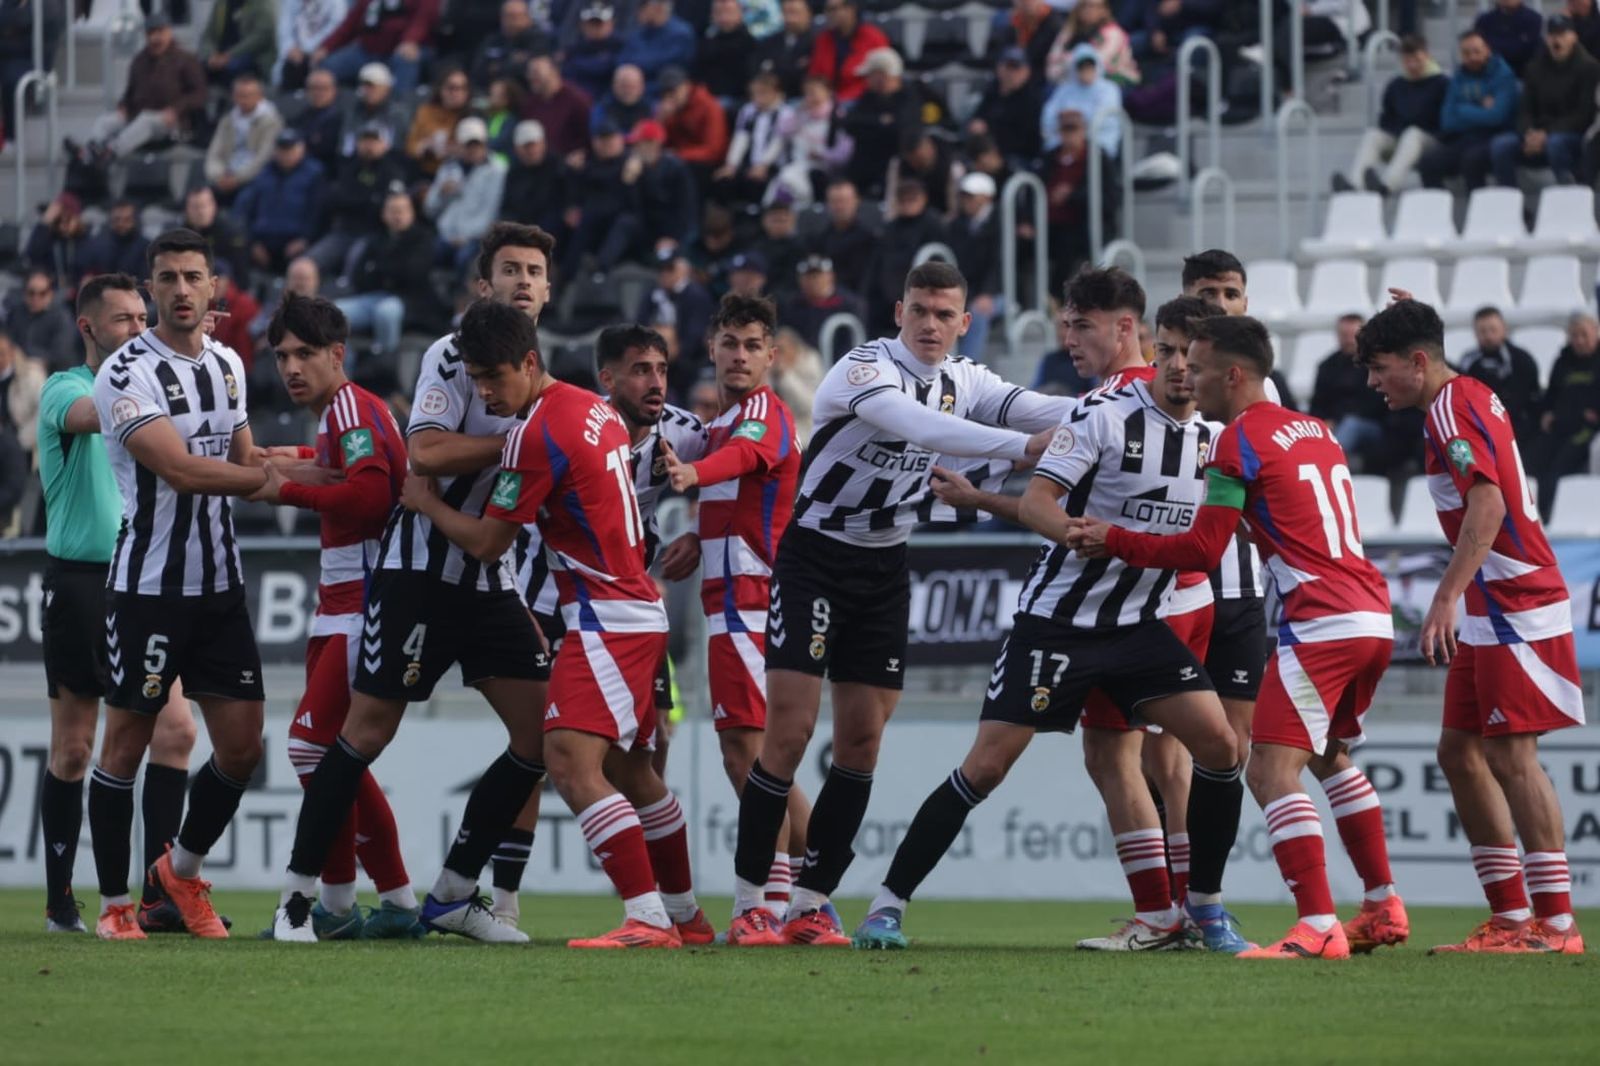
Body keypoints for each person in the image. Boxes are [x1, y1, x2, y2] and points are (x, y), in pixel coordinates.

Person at [852, 295, 1249, 954]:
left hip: (1138, 625)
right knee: (985, 768)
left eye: (1195, 356)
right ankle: (887, 905)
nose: (1181, 367)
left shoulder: (1216, 439)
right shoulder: (1103, 416)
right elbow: (1039, 500)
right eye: (1171, 351)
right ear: (1150, 345)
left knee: (1220, 748)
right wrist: (1077, 535)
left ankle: (1202, 910)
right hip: (1057, 624)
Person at [725, 261, 1064, 946]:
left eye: (945, 314)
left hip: (884, 567)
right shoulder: (862, 371)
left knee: (861, 742)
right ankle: (751, 901)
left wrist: (1110, 413)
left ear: (965, 322)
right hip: (815, 559)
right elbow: (925, 429)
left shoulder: (965, 379)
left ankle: (812, 904)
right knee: (788, 735)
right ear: (899, 314)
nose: (932, 325)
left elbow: (1043, 408)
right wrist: (1025, 448)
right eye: (920, 311)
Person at [1069, 315, 1406, 960]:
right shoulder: (1317, 430)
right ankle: (1382, 901)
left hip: (1321, 624)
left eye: (1196, 368)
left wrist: (1109, 536)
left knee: (1272, 771)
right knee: (1332, 753)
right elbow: (1289, 518)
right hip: (1372, 616)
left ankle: (1316, 924)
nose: (1185, 378)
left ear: (1233, 374)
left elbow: (1200, 550)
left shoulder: (1235, 441)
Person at [270, 226, 561, 945]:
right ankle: (299, 901)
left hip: (491, 575)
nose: (523, 281)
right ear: (482, 285)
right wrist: (523, 441)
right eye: (508, 270)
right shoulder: (448, 355)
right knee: (364, 733)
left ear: (549, 290)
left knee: (544, 734)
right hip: (417, 574)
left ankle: (454, 893)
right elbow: (424, 452)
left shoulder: (550, 375)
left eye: (534, 271)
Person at [392, 300, 707, 948]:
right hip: (637, 609)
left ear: (529, 363)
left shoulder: (537, 435)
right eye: (475, 379)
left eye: (494, 378)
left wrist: (426, 501)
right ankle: (686, 916)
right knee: (633, 772)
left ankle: (647, 920)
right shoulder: (593, 409)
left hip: (604, 616)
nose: (484, 392)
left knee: (566, 760)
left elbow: (486, 543)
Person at [1357, 299, 1583, 954]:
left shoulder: (1454, 407)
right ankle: (1511, 918)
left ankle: (1558, 926)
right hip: (1492, 606)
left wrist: (1443, 597)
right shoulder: (1461, 399)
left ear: (1419, 362)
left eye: (1380, 367)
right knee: (1458, 753)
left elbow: (1489, 500)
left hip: (1515, 601)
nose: (1373, 382)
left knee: (1514, 757)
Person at [87, 230, 279, 940]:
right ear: (151, 288)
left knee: (242, 747)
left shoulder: (229, 364)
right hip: (148, 589)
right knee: (125, 746)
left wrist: (318, 471)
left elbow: (244, 457)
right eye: (166, 278)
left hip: (220, 585)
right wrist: (273, 485)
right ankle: (113, 905)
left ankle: (180, 873)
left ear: (212, 286)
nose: (179, 290)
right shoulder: (125, 371)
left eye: (192, 276)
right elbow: (183, 471)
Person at [249, 293, 423, 939]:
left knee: (309, 749)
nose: (290, 367)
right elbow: (340, 465)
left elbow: (371, 492)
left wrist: (284, 487)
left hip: (365, 605)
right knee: (338, 759)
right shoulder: (342, 415)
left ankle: (339, 904)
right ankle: (396, 903)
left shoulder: (351, 407)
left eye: (304, 354)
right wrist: (284, 456)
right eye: (281, 356)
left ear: (337, 355)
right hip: (340, 607)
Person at [36, 274, 198, 935]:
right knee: (75, 748)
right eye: (126, 320)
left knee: (177, 731)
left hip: (147, 580)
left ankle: (160, 897)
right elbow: (93, 415)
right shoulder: (67, 388)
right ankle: (60, 901)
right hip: (82, 582)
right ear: (89, 329)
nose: (138, 327)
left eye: (143, 317)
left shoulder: (154, 387)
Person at [659, 295, 813, 939]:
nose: (741, 355)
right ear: (712, 350)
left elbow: (745, 461)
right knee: (750, 756)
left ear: (772, 357)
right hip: (729, 606)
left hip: (757, 606)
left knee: (751, 756)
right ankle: (810, 900)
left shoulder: (762, 416)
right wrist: (699, 534)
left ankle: (771, 905)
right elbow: (739, 494)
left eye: (753, 345)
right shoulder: (721, 424)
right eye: (730, 342)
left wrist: (693, 472)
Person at [1490, 15, 1599, 186]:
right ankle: (1514, 206)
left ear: (1574, 37)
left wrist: (1547, 134)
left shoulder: (1589, 68)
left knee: (1556, 144)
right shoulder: (1534, 68)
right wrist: (1529, 134)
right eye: (1552, 35)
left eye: (1562, 34)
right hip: (1538, 135)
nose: (1557, 40)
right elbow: (1525, 110)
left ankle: (1569, 195)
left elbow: (1584, 115)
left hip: (1573, 135)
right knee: (1501, 145)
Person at [1333, 34, 1448, 196]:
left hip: (1432, 142)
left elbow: (1445, 121)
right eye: (1408, 60)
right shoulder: (1396, 85)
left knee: (1413, 134)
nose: (1413, 65)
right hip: (1401, 140)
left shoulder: (1442, 83)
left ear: (1427, 56)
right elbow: (1387, 118)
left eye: (1417, 59)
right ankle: (1355, 184)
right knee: (1373, 135)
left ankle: (1387, 186)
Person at [82, 14, 207, 163]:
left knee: (146, 119)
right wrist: (123, 106)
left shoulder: (186, 59)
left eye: (160, 32)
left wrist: (176, 109)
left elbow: (199, 93)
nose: (155, 38)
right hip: (137, 115)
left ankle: (110, 152)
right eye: (151, 33)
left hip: (172, 122)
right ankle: (88, 152)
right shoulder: (139, 60)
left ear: (169, 33)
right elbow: (130, 92)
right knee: (106, 121)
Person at [338, 190, 439, 369]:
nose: (398, 215)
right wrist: (386, 270)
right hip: (376, 296)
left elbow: (414, 274)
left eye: (402, 210)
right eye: (393, 210)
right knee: (336, 312)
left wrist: (378, 269)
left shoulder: (423, 238)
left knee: (386, 312)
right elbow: (359, 276)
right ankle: (344, 367)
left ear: (412, 213)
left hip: (409, 301)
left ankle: (384, 367)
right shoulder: (375, 238)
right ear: (384, 214)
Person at [1418, 32, 1518, 192]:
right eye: (1466, 53)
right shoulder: (1458, 77)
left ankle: (1480, 210)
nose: (1472, 57)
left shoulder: (1503, 75)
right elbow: (1447, 120)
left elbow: (1496, 117)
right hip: (1464, 137)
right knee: (1428, 162)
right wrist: (1479, 107)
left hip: (1495, 135)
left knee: (1471, 160)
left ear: (1487, 50)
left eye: (1477, 51)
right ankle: (1439, 211)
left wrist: (1463, 108)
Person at [309, 122, 405, 280]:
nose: (369, 146)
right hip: (344, 230)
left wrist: (355, 199)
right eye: (365, 140)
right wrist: (368, 198)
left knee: (355, 263)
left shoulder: (393, 170)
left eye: (374, 141)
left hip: (374, 233)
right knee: (307, 263)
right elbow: (334, 199)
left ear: (385, 144)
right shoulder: (348, 166)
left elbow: (384, 207)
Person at [1534, 312, 1600, 518]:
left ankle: (1547, 516)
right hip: (1558, 426)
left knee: (1557, 469)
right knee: (1530, 460)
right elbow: (1551, 394)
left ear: (1596, 333)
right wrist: (1546, 413)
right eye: (1574, 336)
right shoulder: (1562, 361)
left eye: (1584, 335)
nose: (1579, 341)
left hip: (1586, 430)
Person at [861, 180, 946, 336]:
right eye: (903, 200)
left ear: (923, 199)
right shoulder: (890, 228)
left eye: (912, 199)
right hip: (887, 299)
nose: (907, 204)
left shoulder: (933, 225)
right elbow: (876, 264)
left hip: (921, 296)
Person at [237, 129, 328, 274]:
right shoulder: (264, 173)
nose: (286, 154)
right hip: (262, 240)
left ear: (301, 148)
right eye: (282, 149)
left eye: (290, 149)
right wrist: (252, 242)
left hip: (295, 242)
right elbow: (247, 209)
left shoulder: (314, 173)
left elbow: (317, 211)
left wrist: (305, 239)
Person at [425, 117, 510, 273]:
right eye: (468, 145)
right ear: (458, 145)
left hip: (477, 238)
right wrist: (441, 193)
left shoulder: (497, 170)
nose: (473, 150)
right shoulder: (448, 168)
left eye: (477, 145)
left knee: (464, 258)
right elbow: (430, 209)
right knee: (427, 254)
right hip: (446, 235)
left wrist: (465, 237)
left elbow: (491, 212)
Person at [1310, 314, 1387, 471]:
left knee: (1351, 425)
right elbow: (1317, 403)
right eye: (1344, 335)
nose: (1349, 340)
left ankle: (1327, 466)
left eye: (1353, 335)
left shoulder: (1376, 364)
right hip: (1335, 426)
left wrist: (1336, 420)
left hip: (1373, 425)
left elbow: (1374, 404)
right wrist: (1323, 422)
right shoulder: (1326, 366)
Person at [314, 0, 439, 96]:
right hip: (367, 49)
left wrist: (410, 40)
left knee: (405, 59)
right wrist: (326, 47)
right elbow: (350, 24)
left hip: (405, 49)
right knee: (327, 68)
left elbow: (424, 19)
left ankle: (399, 110)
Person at [1458, 306, 1541, 448]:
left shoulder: (1521, 360)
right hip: (1478, 427)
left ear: (1504, 329)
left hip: (1516, 428)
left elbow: (1530, 399)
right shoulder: (1468, 361)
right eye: (1482, 331)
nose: (1488, 336)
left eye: (1493, 330)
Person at [946, 173, 1001, 359]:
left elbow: (1000, 263)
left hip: (999, 293)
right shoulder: (958, 224)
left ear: (987, 197)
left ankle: (965, 367)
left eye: (971, 196)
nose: (966, 200)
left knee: (977, 314)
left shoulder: (1002, 221)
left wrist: (988, 293)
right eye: (964, 196)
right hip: (969, 291)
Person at [779, 254, 865, 363]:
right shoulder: (793, 305)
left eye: (817, 275)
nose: (813, 281)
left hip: (839, 365)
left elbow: (852, 343)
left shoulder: (850, 305)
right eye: (808, 276)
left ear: (830, 276)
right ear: (800, 280)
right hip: (802, 365)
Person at [968, 48, 1043, 169]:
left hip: (1017, 157)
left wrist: (994, 148)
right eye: (1008, 67)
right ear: (999, 68)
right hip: (985, 151)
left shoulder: (1031, 99)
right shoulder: (992, 92)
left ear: (1026, 72)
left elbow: (1025, 139)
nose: (1010, 73)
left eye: (1016, 68)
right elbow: (979, 116)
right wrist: (976, 124)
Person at [1041, 45, 1121, 156]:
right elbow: (1048, 117)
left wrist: (1073, 123)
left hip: (1098, 144)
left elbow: (1104, 120)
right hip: (1063, 143)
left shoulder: (1109, 89)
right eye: (1082, 67)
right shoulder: (1065, 89)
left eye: (1090, 66)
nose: (1086, 70)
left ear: (1097, 66)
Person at [656, 67, 730, 184]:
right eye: (666, 94)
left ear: (686, 86)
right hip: (681, 157)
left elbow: (714, 151)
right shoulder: (671, 110)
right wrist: (661, 121)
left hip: (705, 164)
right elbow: (662, 142)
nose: (670, 97)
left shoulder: (708, 106)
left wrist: (679, 155)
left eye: (674, 91)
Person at [807, 0, 888, 103]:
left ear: (851, 10)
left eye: (834, 9)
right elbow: (815, 75)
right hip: (826, 101)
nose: (829, 14)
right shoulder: (822, 40)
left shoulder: (874, 37)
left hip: (864, 101)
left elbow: (882, 76)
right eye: (827, 10)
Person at [1045, 0, 1138, 87]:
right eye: (1084, 6)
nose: (1089, 10)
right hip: (1069, 82)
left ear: (1104, 10)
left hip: (1112, 83)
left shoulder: (1113, 33)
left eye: (1094, 6)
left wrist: (1066, 61)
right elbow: (1052, 63)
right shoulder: (1069, 32)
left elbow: (1095, 64)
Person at [405, 66, 474, 180]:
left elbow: (477, 153)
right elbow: (410, 146)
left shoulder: (472, 119)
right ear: (441, 89)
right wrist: (423, 147)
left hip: (458, 175)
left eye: (462, 89)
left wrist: (458, 150)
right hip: (424, 170)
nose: (456, 93)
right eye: (452, 88)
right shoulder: (426, 112)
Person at [6, 270, 79, 373]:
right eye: (31, 293)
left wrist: (28, 357)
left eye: (42, 293)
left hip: (56, 374)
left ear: (50, 294)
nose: (36, 298)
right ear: (24, 293)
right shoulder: (17, 314)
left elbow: (61, 354)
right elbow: (9, 343)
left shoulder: (62, 317)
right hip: (19, 369)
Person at [524, 54, 595, 161]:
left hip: (568, 166)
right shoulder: (530, 103)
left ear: (554, 72)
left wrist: (583, 153)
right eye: (530, 73)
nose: (531, 77)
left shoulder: (577, 100)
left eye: (536, 72)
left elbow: (591, 135)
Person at [472, 0, 551, 90]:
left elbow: (528, 71)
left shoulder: (537, 40)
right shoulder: (493, 40)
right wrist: (512, 62)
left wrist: (497, 68)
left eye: (518, 16)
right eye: (509, 16)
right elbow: (478, 71)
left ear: (528, 18)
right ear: (501, 18)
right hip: (491, 93)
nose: (513, 22)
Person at [619, 0, 697, 91]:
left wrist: (634, 67)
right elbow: (622, 59)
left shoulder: (681, 34)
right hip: (633, 85)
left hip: (662, 88)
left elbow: (663, 64)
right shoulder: (641, 32)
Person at [336, 63, 409, 159]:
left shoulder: (398, 114)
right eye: (364, 86)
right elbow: (344, 148)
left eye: (372, 86)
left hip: (388, 165)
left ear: (386, 88)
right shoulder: (352, 112)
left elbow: (400, 148)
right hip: (355, 164)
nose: (367, 91)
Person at [275, 0, 350, 92]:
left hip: (325, 49)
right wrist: (290, 47)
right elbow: (284, 29)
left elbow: (336, 29)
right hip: (294, 52)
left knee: (310, 66)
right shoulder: (291, 2)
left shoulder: (336, 3)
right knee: (288, 67)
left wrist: (306, 49)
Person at [200, 0, 278, 85]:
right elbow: (208, 35)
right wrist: (211, 55)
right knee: (197, 70)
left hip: (250, 55)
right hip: (220, 54)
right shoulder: (221, 4)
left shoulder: (260, 3)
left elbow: (261, 36)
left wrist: (229, 55)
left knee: (233, 68)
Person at [183, 186, 249, 281]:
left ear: (214, 206)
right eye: (196, 207)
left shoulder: (229, 231)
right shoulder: (181, 233)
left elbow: (239, 271)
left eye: (204, 206)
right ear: (186, 209)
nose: (201, 212)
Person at [696, 0, 757, 101]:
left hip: (738, 99)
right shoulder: (705, 42)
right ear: (712, 15)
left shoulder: (749, 43)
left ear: (740, 13)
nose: (724, 18)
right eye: (719, 13)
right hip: (708, 98)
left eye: (728, 12)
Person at [754, 0, 816, 98]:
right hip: (773, 98)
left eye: (795, 12)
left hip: (804, 97)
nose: (790, 19)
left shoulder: (817, 40)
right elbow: (761, 72)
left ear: (808, 13)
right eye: (786, 13)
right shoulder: (770, 42)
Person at [565, 3, 626, 100]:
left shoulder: (619, 46)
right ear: (583, 26)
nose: (595, 28)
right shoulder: (575, 48)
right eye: (591, 24)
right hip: (579, 98)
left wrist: (581, 65)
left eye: (599, 24)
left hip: (608, 100)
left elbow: (612, 68)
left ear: (611, 24)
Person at [81, 202, 151, 287]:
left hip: (135, 296)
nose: (121, 224)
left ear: (135, 221)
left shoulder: (146, 247)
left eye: (127, 220)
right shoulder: (98, 246)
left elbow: (145, 283)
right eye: (117, 219)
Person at [1475, 0, 1546, 75]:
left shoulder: (1533, 19)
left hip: (1523, 75)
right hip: (1490, 76)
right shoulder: (1484, 21)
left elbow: (1531, 52)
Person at [594, 64, 650, 140]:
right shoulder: (603, 108)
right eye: (624, 86)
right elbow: (598, 133)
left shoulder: (650, 107)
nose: (628, 91)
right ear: (614, 85)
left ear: (641, 87)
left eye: (632, 86)